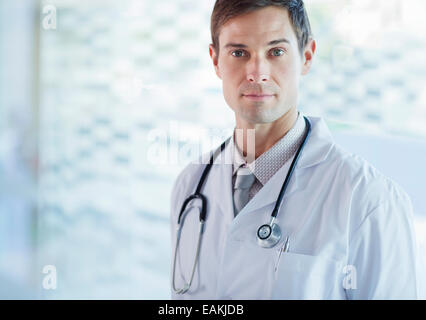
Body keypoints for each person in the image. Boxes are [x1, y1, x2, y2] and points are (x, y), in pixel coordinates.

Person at [170, 0, 424, 299]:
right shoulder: (191, 185)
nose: (256, 72)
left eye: (276, 52)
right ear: (215, 61)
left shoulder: (370, 200)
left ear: (307, 56)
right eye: (239, 53)